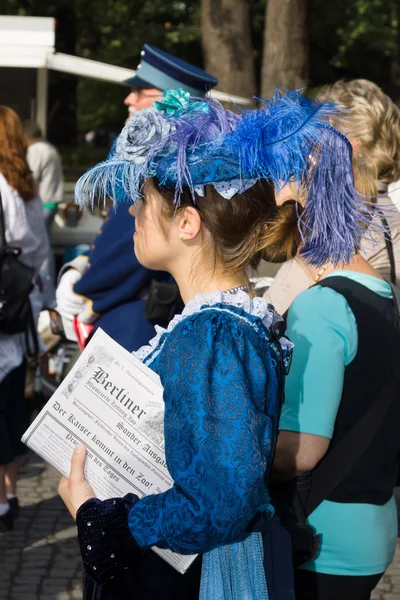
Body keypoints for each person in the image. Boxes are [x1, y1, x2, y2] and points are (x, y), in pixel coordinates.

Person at [57, 88, 372, 599]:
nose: (134, 211)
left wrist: (107, 521)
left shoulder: (216, 333)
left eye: (146, 201)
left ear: (187, 223)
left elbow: (219, 501)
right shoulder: (218, 323)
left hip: (195, 576)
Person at [271, 101, 400, 598]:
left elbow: (301, 450)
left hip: (325, 540)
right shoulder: (375, 290)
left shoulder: (322, 306)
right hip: (368, 524)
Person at [55, 45, 218, 352]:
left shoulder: (169, 168)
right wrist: (80, 267)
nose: (129, 100)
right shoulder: (159, 161)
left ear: (173, 101)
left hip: (140, 319)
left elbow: (130, 246)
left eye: (143, 91)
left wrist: (85, 289)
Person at [264, 79, 400, 315]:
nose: (309, 150)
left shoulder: (347, 217)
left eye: (318, 137)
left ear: (348, 147)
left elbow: (273, 314)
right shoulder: (388, 216)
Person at [0, 107, 48, 532]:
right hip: (20, 302)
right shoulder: (24, 183)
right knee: (14, 399)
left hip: (4, 304)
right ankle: (11, 492)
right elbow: (40, 248)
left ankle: (2, 500)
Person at [23, 119, 63, 307]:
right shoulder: (51, 148)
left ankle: (47, 298)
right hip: (52, 203)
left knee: (41, 251)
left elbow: (30, 177)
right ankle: (50, 296)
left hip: (43, 204)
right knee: (46, 248)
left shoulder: (36, 151)